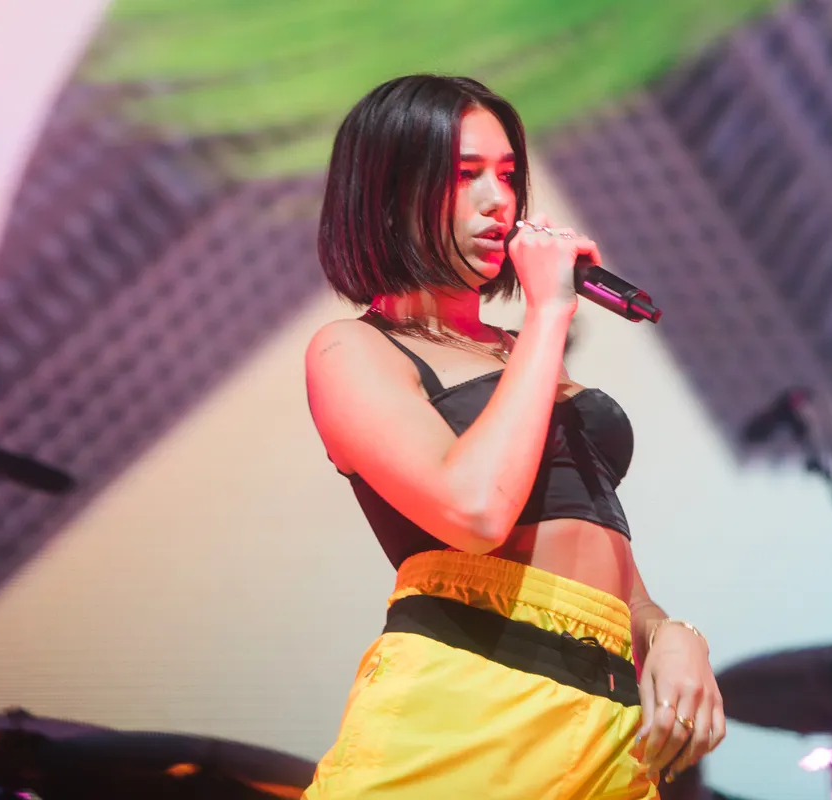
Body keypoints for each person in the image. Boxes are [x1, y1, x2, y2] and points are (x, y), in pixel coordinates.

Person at [301, 74, 724, 799]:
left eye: (507, 175)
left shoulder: (521, 353)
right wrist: (548, 314)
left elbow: (616, 584)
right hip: (468, 711)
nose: (499, 200)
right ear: (387, 193)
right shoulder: (352, 349)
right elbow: (475, 511)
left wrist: (673, 636)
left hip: (606, 731)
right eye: (466, 175)